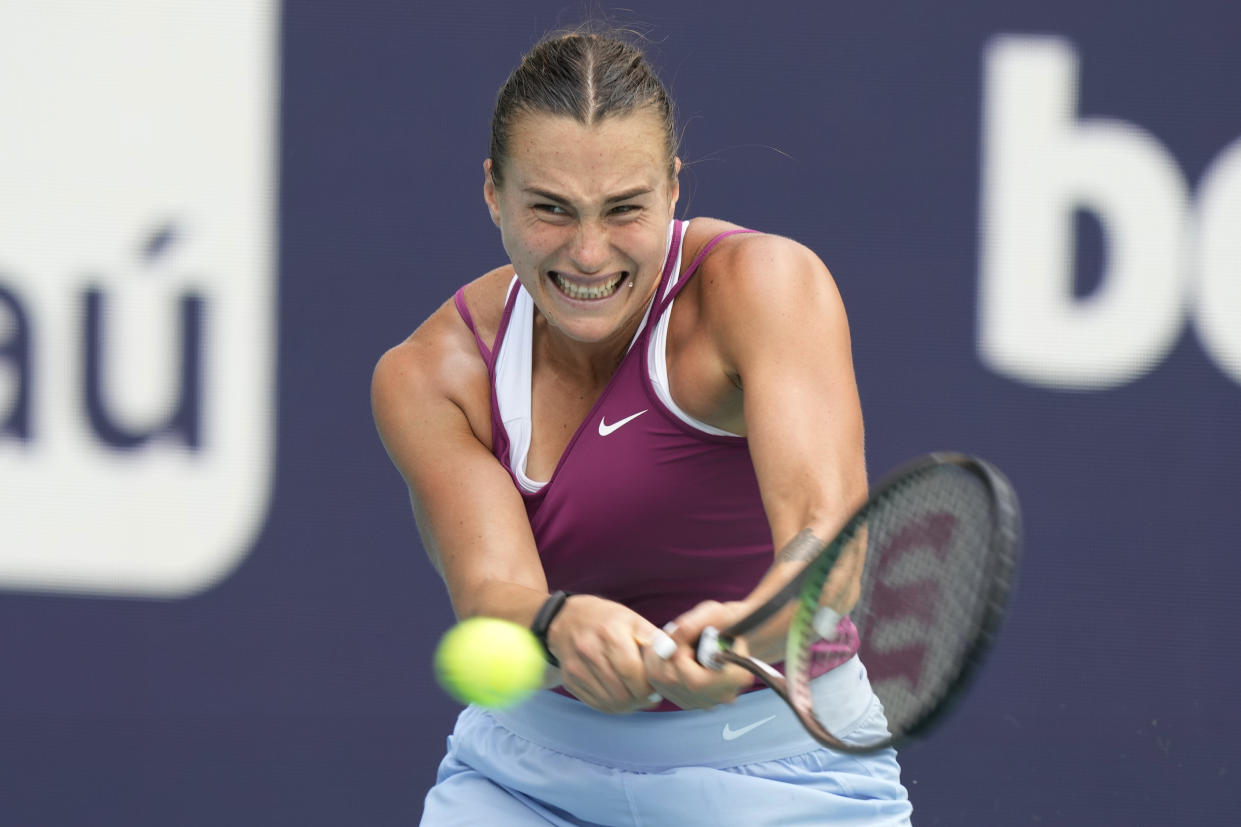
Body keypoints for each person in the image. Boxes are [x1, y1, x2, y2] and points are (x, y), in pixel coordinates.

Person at [372, 27, 913, 826]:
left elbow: (826, 538)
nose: (588, 254)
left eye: (624, 210)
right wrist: (560, 622)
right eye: (550, 209)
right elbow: (492, 592)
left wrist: (746, 630)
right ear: (493, 192)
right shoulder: (431, 374)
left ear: (671, 189)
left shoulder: (762, 286)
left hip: (783, 775)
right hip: (525, 780)